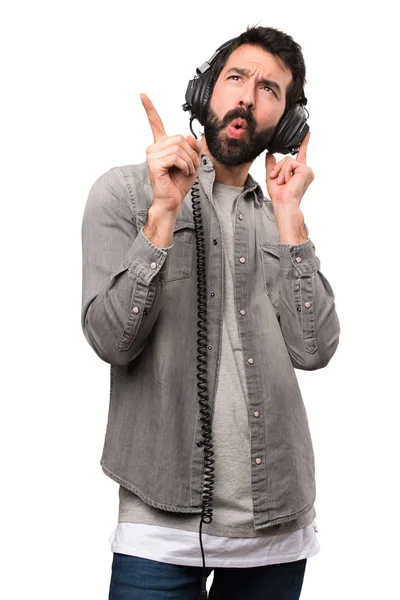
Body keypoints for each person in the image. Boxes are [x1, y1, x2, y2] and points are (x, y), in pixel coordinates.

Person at [81, 25, 340, 600]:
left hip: (277, 528)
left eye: (270, 89)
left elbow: (315, 349)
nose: (248, 96)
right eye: (237, 78)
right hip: (159, 527)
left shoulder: (283, 215)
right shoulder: (124, 195)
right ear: (205, 92)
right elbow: (110, 340)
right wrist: (162, 217)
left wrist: (291, 220)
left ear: (288, 122)